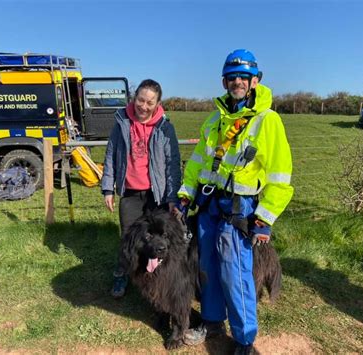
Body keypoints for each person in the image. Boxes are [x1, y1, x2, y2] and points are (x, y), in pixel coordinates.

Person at [176, 49, 294, 354]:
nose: (237, 82)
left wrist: (265, 218)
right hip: (209, 208)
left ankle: (244, 340)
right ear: (224, 81)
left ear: (255, 80)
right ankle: (212, 320)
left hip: (241, 213)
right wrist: (185, 195)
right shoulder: (215, 119)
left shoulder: (267, 121)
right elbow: (197, 162)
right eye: (232, 77)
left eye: (243, 76)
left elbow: (280, 176)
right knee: (208, 268)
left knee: (235, 275)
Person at [102, 79, 181, 298]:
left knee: (158, 238)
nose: (144, 106)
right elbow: (110, 155)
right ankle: (123, 274)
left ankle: (161, 278)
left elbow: (173, 162)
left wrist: (173, 196)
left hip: (157, 195)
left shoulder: (165, 127)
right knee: (129, 237)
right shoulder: (121, 123)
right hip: (130, 194)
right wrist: (108, 187)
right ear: (133, 98)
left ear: (157, 104)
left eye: (149, 102)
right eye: (140, 100)